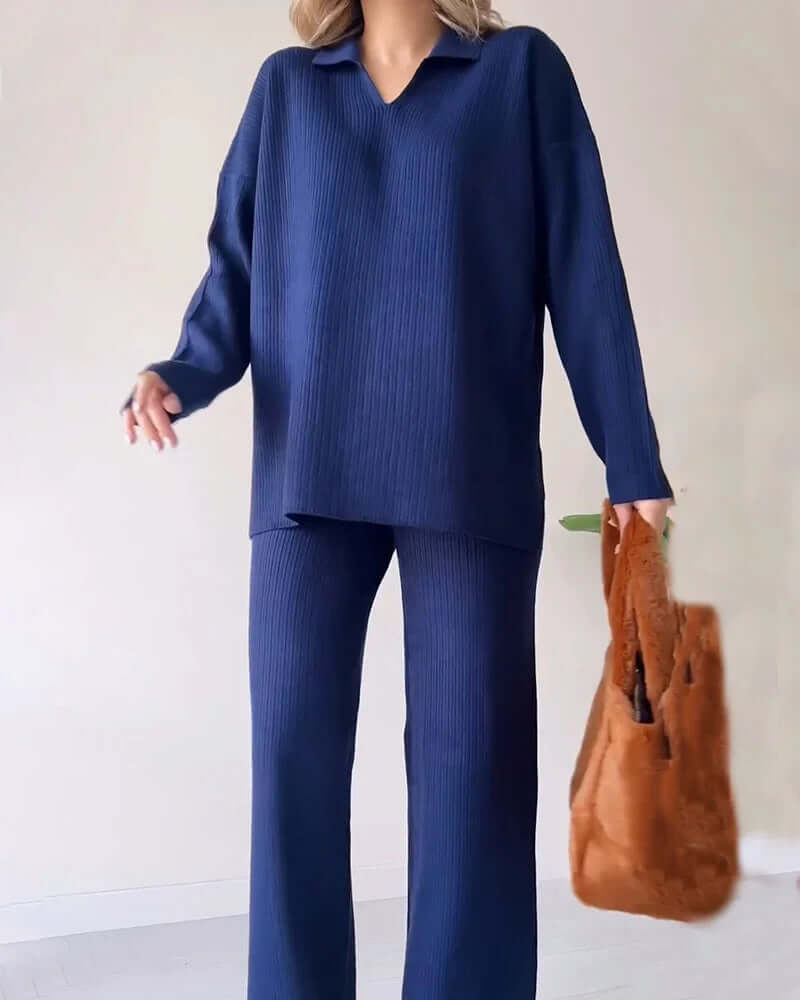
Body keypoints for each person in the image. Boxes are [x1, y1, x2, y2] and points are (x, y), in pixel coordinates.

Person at [120, 1, 672, 996]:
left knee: (473, 775)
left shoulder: (519, 74)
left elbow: (584, 268)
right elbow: (236, 273)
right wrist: (178, 373)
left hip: (469, 472)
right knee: (291, 762)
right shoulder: (287, 90)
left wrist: (629, 458)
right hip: (307, 474)